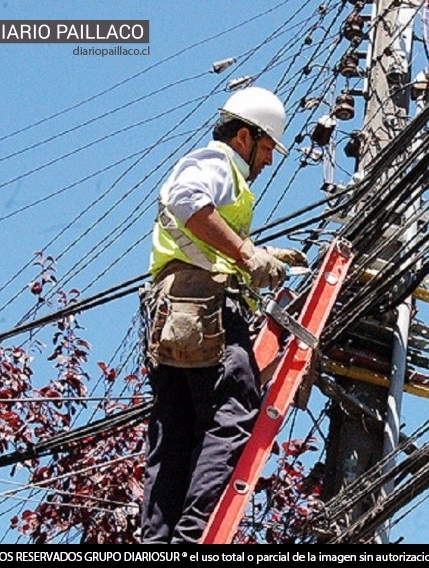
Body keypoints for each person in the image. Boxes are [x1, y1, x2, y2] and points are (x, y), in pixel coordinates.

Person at [140, 86, 308, 544]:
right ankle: (194, 536)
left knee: (174, 432)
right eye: (268, 146)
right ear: (243, 138)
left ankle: (159, 540)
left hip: (173, 313)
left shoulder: (227, 175)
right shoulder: (218, 164)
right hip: (204, 309)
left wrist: (259, 255)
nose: (269, 160)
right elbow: (186, 201)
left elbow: (198, 236)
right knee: (235, 409)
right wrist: (247, 255)